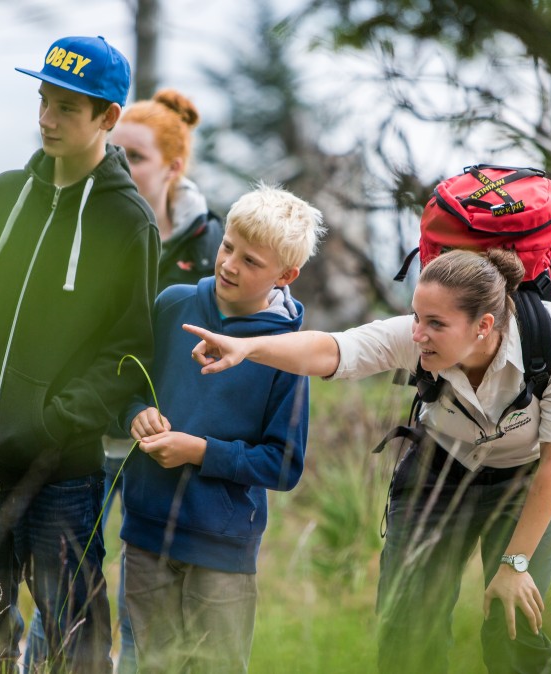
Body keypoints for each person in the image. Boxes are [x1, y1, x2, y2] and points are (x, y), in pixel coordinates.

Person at [185, 248, 551, 673]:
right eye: (417, 317)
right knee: (408, 628)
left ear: (483, 326)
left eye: (436, 324)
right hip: (439, 473)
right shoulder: (414, 338)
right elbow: (334, 349)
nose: (419, 334)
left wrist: (515, 564)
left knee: (513, 625)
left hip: (526, 481)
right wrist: (246, 347)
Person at [0, 35, 159, 673]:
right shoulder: (2, 196)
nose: (46, 120)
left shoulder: (127, 222)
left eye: (65, 108)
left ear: (108, 118)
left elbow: (127, 352)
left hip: (63, 475)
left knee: (72, 642)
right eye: (42, 101)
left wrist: (53, 425)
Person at [24, 87, 223, 674]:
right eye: (117, 153)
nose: (121, 166)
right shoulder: (88, 222)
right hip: (91, 431)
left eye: (136, 157)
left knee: (146, 587)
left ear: (174, 167)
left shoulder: (212, 245)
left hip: (168, 440)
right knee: (67, 575)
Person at [121, 184, 325, 673]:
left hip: (222, 551)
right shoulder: (173, 304)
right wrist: (135, 413)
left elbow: (284, 464)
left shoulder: (287, 354)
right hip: (145, 535)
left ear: (286, 275)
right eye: (228, 246)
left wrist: (199, 452)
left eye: (251, 262)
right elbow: (125, 383)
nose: (230, 264)